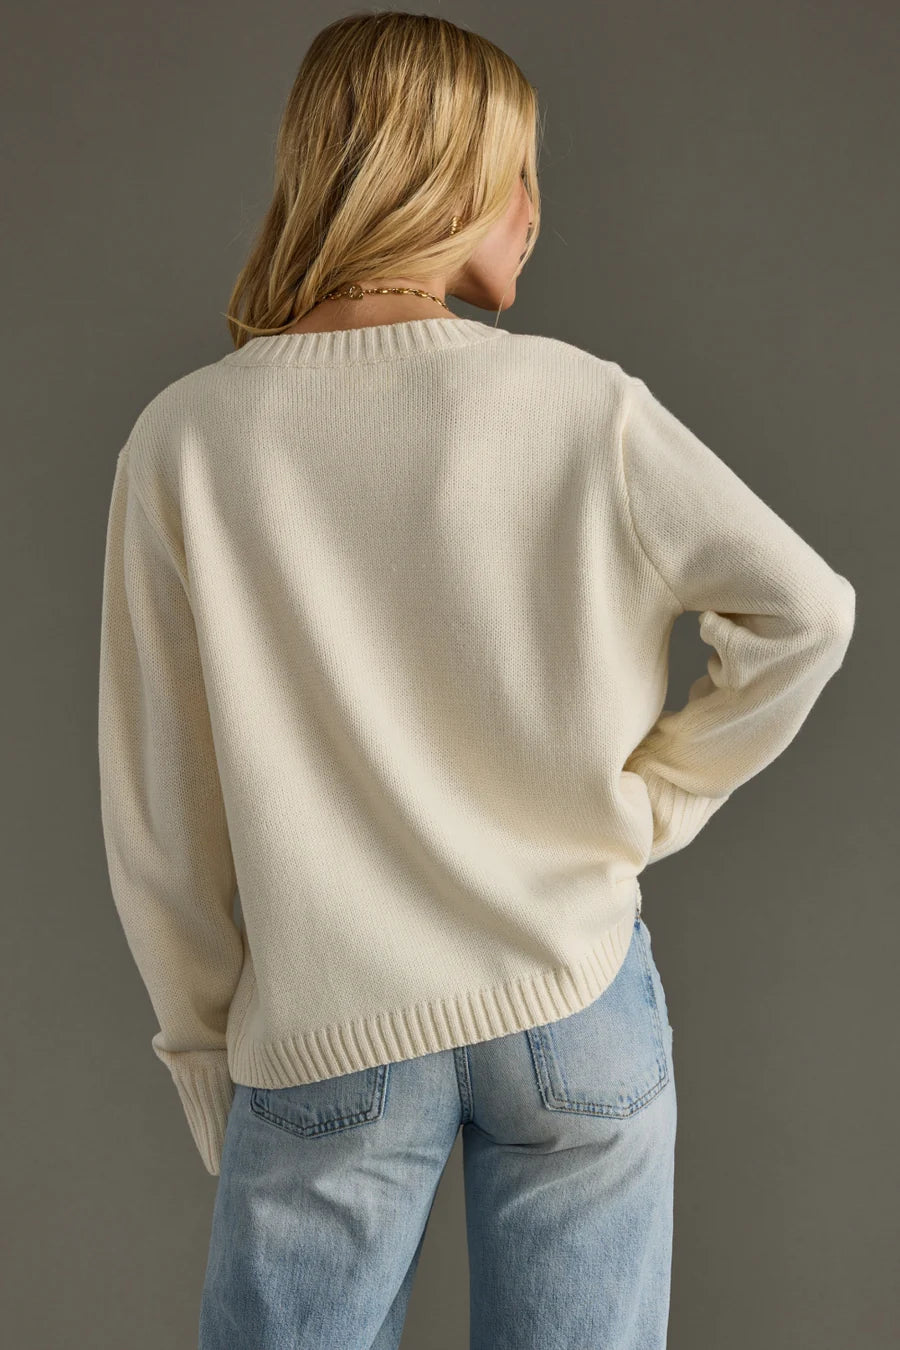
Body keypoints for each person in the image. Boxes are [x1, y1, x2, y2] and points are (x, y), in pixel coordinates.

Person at [96, 11, 856, 1350]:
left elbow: (165, 816)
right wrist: (656, 803)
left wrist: (206, 1053)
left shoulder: (188, 444)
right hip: (574, 992)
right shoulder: (583, 405)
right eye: (519, 174)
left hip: (327, 1028)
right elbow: (806, 612)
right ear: (441, 186)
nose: (535, 210)